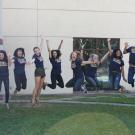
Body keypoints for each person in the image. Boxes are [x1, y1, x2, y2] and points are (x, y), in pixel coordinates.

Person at [31, 36, 46, 106]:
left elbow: (41, 46)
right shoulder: (34, 56)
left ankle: (38, 98)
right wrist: (30, 62)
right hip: (38, 71)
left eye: (38, 50)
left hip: (43, 71)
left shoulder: (40, 54)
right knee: (36, 86)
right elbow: (32, 60)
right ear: (34, 52)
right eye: (35, 50)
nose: (37, 51)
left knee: (40, 86)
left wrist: (42, 40)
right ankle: (33, 99)